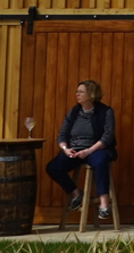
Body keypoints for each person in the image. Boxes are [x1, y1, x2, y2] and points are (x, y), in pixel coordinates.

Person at [44, 80, 118, 221]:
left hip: (96, 149)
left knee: (100, 161)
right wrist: (65, 149)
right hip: (75, 150)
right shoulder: (74, 112)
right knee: (53, 167)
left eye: (81, 92)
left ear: (91, 94)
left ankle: (104, 203)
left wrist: (89, 151)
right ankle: (76, 193)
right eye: (77, 91)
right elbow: (61, 135)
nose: (77, 94)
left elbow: (107, 137)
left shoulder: (106, 112)